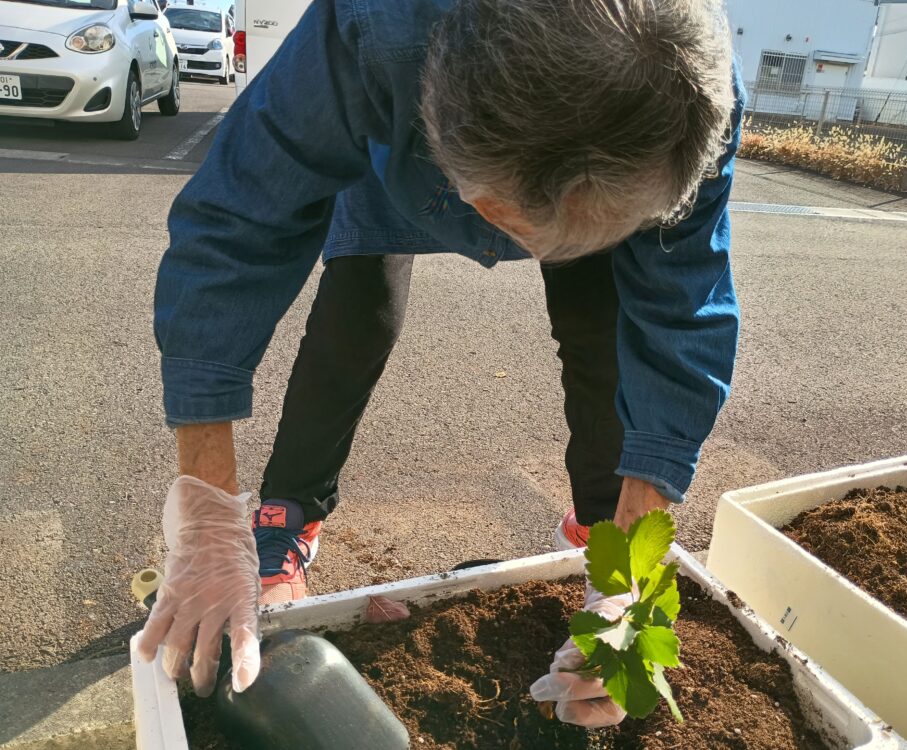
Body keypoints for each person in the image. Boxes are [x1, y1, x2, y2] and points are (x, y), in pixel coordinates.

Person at [138, 0, 744, 729]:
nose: (524, 252)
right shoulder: (376, 32)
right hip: (394, 137)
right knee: (360, 309)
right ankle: (287, 514)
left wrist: (632, 579)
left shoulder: (687, 99)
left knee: (600, 319)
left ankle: (603, 528)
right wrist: (208, 508)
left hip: (589, 144)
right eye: (510, 222)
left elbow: (682, 320)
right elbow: (237, 222)